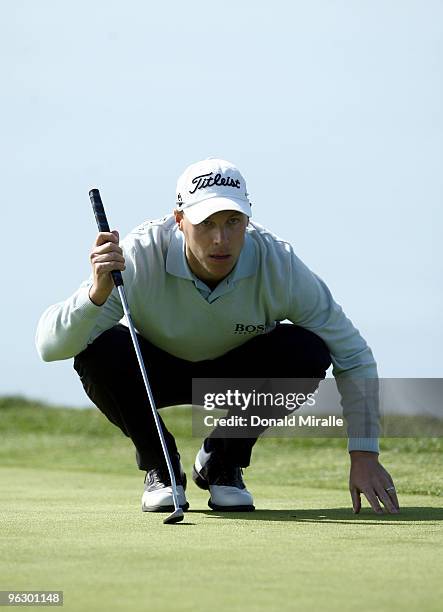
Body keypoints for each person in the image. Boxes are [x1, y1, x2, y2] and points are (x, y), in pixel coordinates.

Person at [36, 157, 399, 515]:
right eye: (206, 223)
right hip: (154, 371)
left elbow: (353, 355)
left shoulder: (279, 264)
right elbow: (50, 346)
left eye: (232, 221)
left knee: (308, 350)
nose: (221, 239)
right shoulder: (138, 256)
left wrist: (364, 453)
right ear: (179, 220)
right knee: (98, 352)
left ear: (247, 219)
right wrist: (96, 295)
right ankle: (162, 467)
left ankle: (221, 462)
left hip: (236, 373)